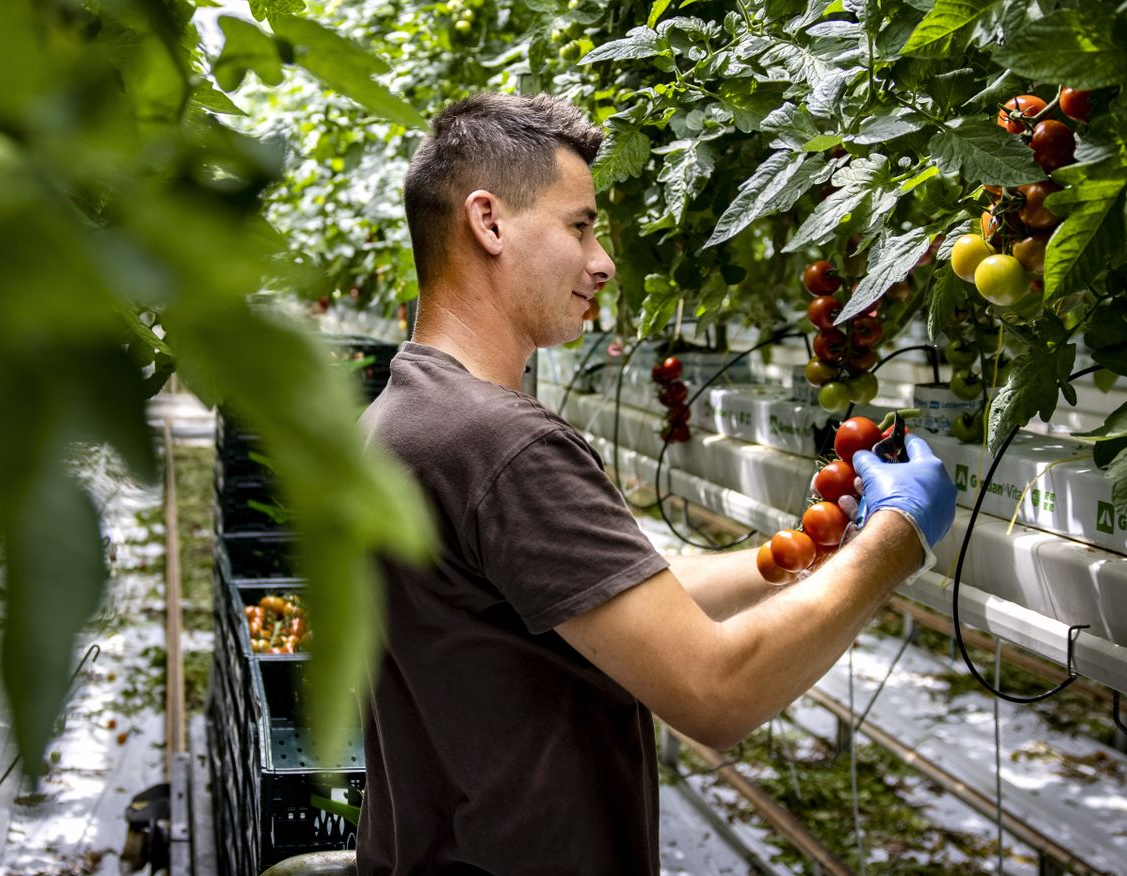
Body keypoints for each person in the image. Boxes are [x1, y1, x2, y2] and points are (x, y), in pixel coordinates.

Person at [355, 93, 957, 875]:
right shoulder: (503, 445)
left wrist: (795, 556)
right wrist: (895, 541)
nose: (602, 260)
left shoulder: (401, 418)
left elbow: (608, 595)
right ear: (489, 222)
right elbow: (717, 692)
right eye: (579, 225)